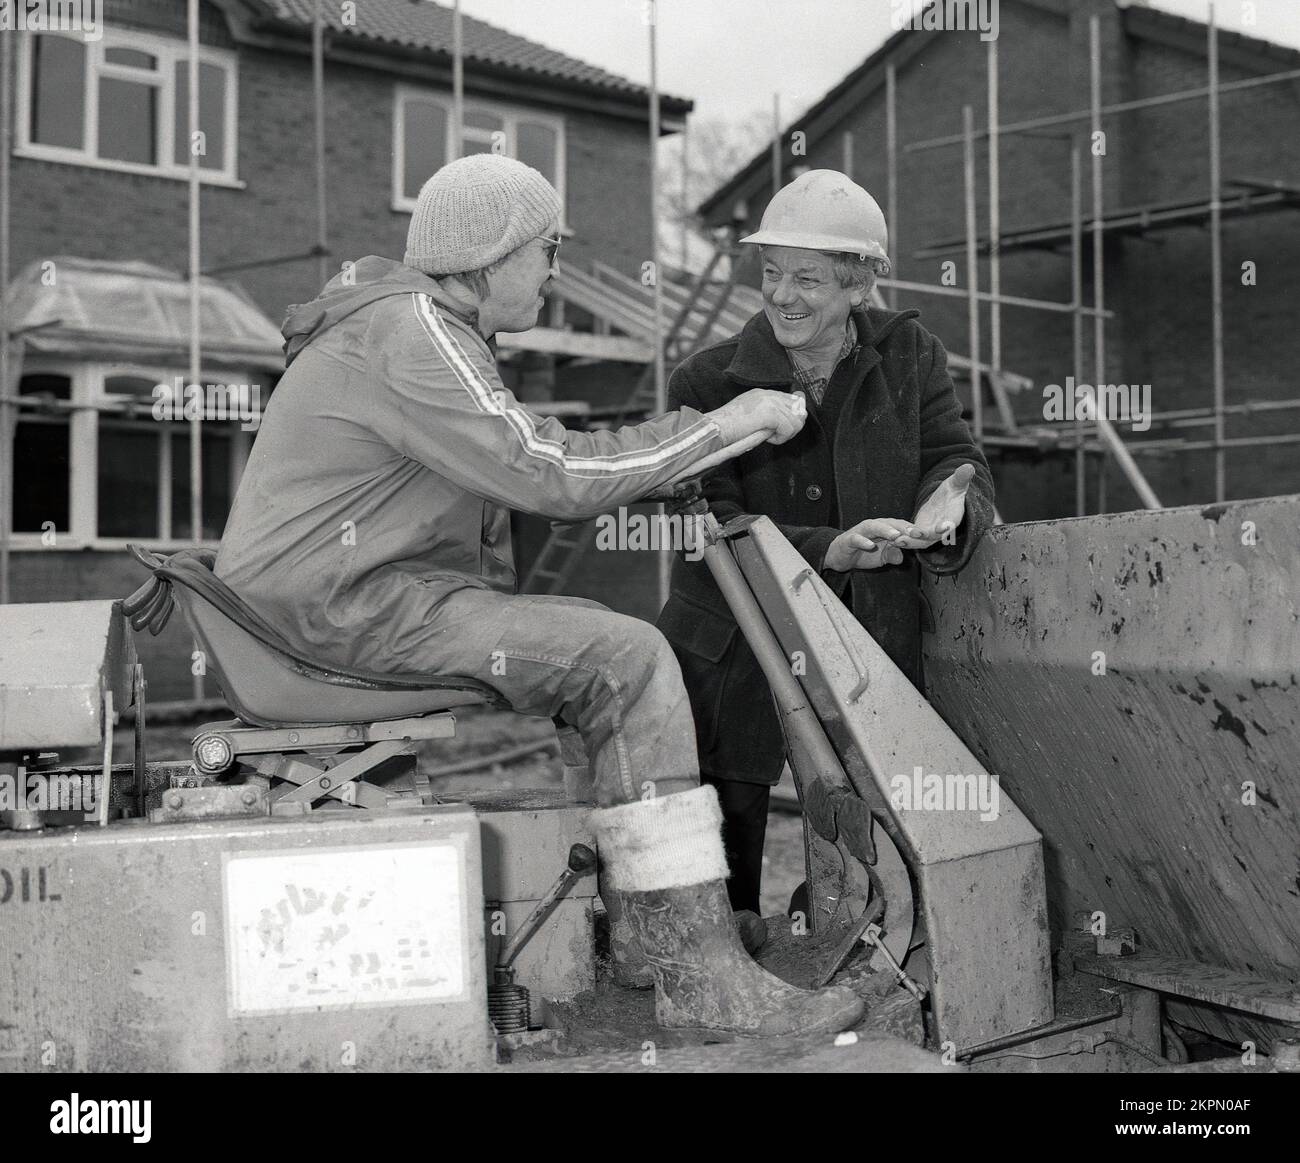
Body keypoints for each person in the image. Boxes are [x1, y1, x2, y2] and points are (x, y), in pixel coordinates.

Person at [214, 154, 863, 1037]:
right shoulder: (418, 332)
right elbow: (546, 471)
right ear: (491, 253)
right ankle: (693, 967)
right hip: (339, 611)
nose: (556, 272)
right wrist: (723, 423)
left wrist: (671, 460)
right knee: (628, 659)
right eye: (547, 250)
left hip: (330, 600)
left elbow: (518, 471)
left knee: (590, 635)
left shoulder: (406, 325)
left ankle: (645, 929)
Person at [657, 169, 996, 916]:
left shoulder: (910, 357)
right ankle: (727, 968)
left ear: (859, 286)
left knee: (878, 819)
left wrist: (950, 511)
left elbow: (956, 458)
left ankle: (868, 946)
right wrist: (829, 548)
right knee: (726, 837)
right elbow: (703, 519)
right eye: (771, 273)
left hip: (868, 635)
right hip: (737, 640)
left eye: (807, 278)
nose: (781, 295)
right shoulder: (707, 380)